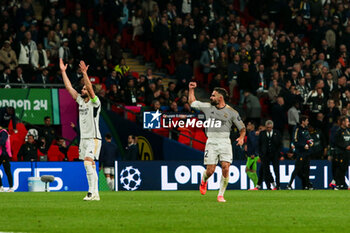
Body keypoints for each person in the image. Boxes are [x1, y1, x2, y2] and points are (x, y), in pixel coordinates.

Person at [188, 81, 246, 202]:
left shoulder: (232, 112)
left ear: (220, 98)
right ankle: (204, 180)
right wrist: (191, 90)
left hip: (225, 142)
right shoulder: (208, 107)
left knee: (225, 167)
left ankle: (221, 195)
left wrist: (241, 138)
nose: (211, 97)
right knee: (210, 171)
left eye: (213, 95)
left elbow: (242, 128)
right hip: (212, 142)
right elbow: (192, 103)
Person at [60, 58, 102, 201]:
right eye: (82, 88)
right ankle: (96, 194)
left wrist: (85, 73)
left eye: (84, 88)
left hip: (93, 138)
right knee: (90, 165)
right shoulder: (80, 101)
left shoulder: (95, 103)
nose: (82, 89)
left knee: (87, 162)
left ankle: (90, 192)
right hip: (83, 139)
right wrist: (63, 72)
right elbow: (69, 88)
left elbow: (90, 88)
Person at [287, 116, 314, 190]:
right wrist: (303, 146)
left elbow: (309, 139)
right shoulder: (297, 129)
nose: (308, 122)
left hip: (307, 153)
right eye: (307, 121)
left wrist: (311, 142)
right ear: (303, 121)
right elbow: (295, 141)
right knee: (297, 169)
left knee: (307, 169)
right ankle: (289, 184)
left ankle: (307, 185)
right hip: (300, 153)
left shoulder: (306, 129)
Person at [257, 120, 282, 190]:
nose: (269, 129)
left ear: (272, 127)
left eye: (270, 127)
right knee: (266, 171)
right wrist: (260, 154)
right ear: (265, 127)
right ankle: (268, 186)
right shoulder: (262, 134)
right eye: (267, 127)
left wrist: (279, 154)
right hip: (265, 155)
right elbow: (259, 145)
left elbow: (280, 144)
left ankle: (278, 186)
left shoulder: (277, 133)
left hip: (275, 155)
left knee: (276, 170)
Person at [334, 116, 350, 190]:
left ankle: (342, 184)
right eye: (347, 121)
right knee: (340, 168)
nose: (348, 123)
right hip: (340, 153)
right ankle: (338, 184)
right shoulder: (339, 131)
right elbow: (338, 142)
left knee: (344, 169)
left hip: (347, 153)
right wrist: (346, 147)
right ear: (343, 122)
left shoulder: (348, 131)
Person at [0, 125, 14, 192]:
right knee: (7, 171)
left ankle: (11, 187)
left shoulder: (3, 132)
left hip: (4, 154)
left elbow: (2, 142)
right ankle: (1, 187)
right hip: (1, 154)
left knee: (7, 171)